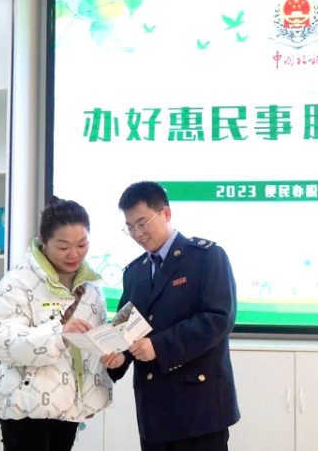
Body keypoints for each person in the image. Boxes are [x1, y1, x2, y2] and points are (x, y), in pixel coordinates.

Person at [106, 180, 240, 451]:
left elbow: (218, 319)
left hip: (201, 409)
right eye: (130, 227)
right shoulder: (135, 272)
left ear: (166, 213)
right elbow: (126, 329)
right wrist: (118, 358)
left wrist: (157, 346)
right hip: (154, 412)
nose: (137, 234)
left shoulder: (206, 257)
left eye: (142, 223)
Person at [0, 196, 120, 451]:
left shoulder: (92, 287)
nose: (74, 254)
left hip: (68, 410)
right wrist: (59, 334)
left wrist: (111, 356)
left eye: (82, 244)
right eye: (63, 246)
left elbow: (91, 348)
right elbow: (0, 339)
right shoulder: (18, 281)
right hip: (26, 410)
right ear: (43, 240)